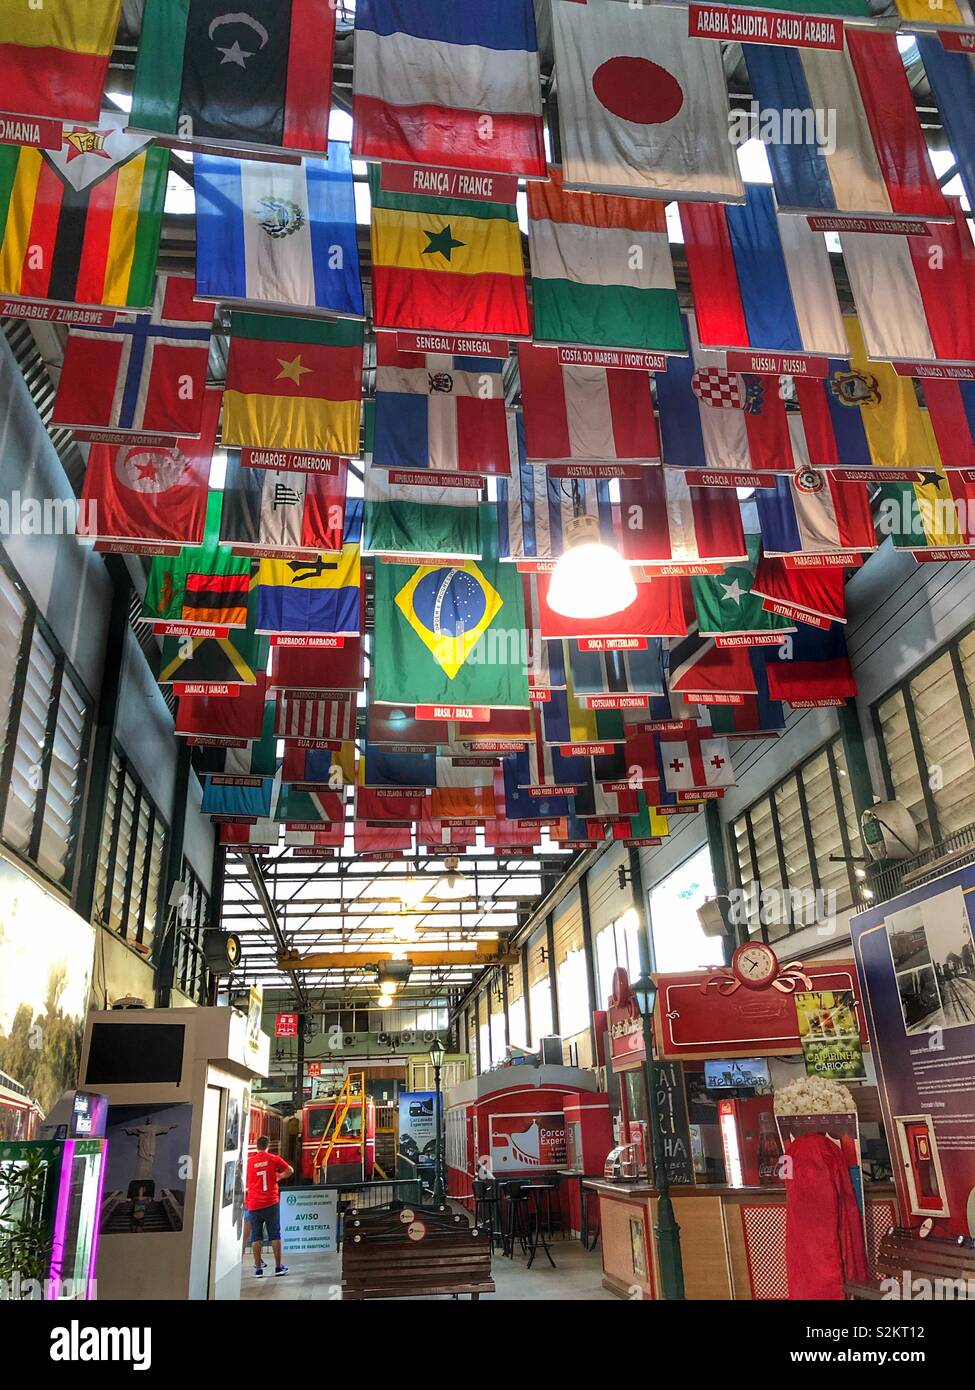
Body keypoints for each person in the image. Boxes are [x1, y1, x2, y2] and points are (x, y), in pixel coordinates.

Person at [245, 1135, 293, 1277]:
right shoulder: (273, 1159)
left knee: (256, 1237)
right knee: (275, 1235)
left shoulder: (250, 1162)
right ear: (268, 1146)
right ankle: (278, 1267)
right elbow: (290, 1170)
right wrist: (280, 1176)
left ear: (256, 1146)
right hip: (271, 1202)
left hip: (254, 1203)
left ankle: (258, 1269)